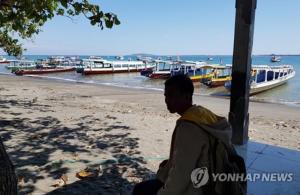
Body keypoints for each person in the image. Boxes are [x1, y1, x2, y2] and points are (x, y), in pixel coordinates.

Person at [132, 74, 233, 195]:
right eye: (165, 96)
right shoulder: (202, 113)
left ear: (186, 96)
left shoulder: (188, 127)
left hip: (197, 187)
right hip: (210, 179)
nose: (166, 100)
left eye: (171, 96)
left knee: (139, 190)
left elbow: (181, 176)